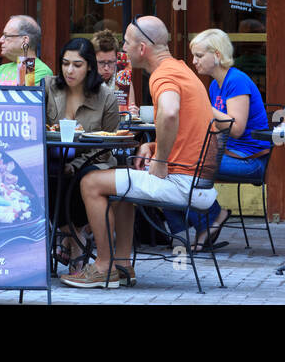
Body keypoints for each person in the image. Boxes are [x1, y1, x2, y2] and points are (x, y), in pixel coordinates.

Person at [62, 16, 223, 289]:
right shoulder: (181, 69)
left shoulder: (163, 75)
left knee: (90, 182)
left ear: (143, 48)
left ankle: (102, 266)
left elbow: (170, 112)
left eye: (127, 43)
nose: (123, 49)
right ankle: (122, 264)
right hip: (197, 180)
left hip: (182, 181)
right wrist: (153, 145)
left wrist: (160, 160)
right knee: (123, 181)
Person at [170, 28, 271, 250]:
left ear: (216, 55)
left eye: (198, 55)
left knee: (182, 168)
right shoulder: (216, 84)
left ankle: (212, 218)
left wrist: (202, 105)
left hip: (249, 161)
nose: (194, 61)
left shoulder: (236, 81)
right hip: (226, 155)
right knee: (170, 165)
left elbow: (235, 129)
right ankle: (191, 228)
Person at [45, 37, 121, 272]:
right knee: (45, 174)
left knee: (79, 177)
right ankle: (74, 235)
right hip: (53, 155)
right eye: (65, 63)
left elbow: (107, 142)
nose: (69, 70)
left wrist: (76, 163)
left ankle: (71, 238)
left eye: (77, 65)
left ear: (89, 66)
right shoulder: (48, 86)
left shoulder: (105, 96)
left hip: (92, 159)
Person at [0, 15, 53, 85]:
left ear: (25, 40)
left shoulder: (38, 69)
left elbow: (21, 95)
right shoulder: (2, 68)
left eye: (6, 36)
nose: (0, 40)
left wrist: (25, 60)